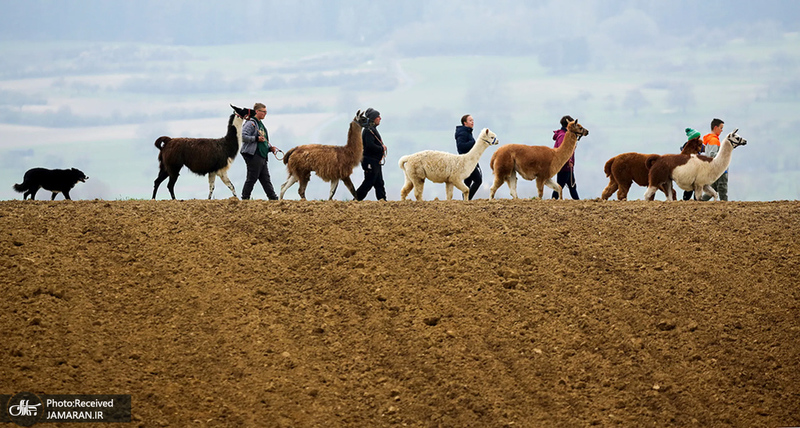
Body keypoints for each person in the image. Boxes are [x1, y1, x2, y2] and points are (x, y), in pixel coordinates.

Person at [240, 103, 279, 200]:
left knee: (265, 179)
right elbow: (242, 136)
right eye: (264, 111)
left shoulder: (260, 124)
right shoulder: (251, 123)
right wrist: (256, 138)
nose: (265, 113)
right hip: (253, 154)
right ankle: (245, 199)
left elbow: (263, 141)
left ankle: (273, 198)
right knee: (252, 177)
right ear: (257, 111)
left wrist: (270, 149)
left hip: (261, 155)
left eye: (266, 111)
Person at [355, 108, 387, 201]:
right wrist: (382, 148)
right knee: (369, 182)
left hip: (375, 161)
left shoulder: (371, 129)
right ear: (373, 118)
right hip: (370, 161)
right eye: (378, 117)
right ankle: (356, 200)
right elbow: (369, 146)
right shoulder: (368, 131)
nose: (380, 118)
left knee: (379, 183)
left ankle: (383, 201)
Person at [551, 115, 579, 199]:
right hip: (565, 166)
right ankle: (553, 201)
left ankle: (578, 202)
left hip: (565, 166)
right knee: (560, 187)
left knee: (571, 186)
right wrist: (569, 161)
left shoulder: (563, 135)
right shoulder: (563, 136)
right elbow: (562, 152)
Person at [455, 114, 481, 200]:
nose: (472, 122)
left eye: (473, 120)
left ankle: (465, 201)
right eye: (470, 120)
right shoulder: (462, 133)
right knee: (478, 180)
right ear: (465, 123)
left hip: (470, 161)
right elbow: (461, 146)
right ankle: (468, 199)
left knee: (468, 182)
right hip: (466, 161)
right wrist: (474, 143)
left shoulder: (467, 132)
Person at [701, 118, 727, 201]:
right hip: (718, 167)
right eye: (721, 128)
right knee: (722, 187)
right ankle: (725, 205)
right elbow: (712, 154)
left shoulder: (709, 139)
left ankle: (700, 202)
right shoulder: (714, 140)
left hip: (712, 167)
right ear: (716, 127)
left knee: (713, 188)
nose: (722, 130)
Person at [681, 127, 703, 201]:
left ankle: (696, 199)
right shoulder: (687, 146)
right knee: (689, 187)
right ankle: (686, 199)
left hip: (697, 169)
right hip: (689, 169)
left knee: (697, 185)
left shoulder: (698, 145)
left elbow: (704, 149)